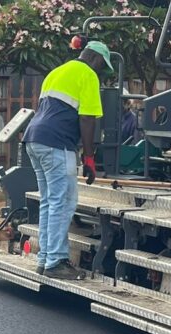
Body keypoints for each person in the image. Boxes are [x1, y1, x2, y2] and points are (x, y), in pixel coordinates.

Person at [21, 41, 111, 280]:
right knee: (63, 202)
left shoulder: (56, 71)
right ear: (97, 60)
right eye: (103, 66)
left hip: (34, 139)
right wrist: (89, 157)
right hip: (56, 144)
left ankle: (44, 258)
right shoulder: (88, 74)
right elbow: (87, 119)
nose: (101, 71)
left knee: (49, 202)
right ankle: (56, 261)